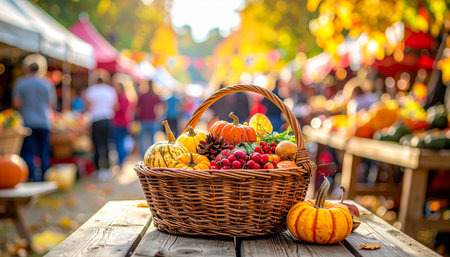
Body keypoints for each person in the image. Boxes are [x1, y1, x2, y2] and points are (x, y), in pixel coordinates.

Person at [12, 54, 55, 181]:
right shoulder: (46, 83)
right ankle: (45, 178)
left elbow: (16, 103)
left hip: (27, 121)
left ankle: (32, 177)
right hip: (44, 122)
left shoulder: (21, 83)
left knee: (29, 152)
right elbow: (51, 104)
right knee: (43, 152)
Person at [85, 69, 117, 179]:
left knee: (97, 145)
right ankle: (107, 168)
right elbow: (115, 106)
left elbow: (88, 106)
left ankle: (98, 168)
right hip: (107, 120)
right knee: (107, 144)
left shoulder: (91, 91)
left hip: (96, 120)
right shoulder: (110, 91)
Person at [112, 74, 137, 167]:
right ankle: (122, 160)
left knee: (119, 142)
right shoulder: (128, 97)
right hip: (125, 122)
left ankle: (121, 161)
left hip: (119, 122)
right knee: (122, 142)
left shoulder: (120, 97)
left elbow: (119, 109)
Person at [136, 80, 163, 157]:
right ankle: (151, 155)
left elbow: (138, 108)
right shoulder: (156, 95)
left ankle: (143, 155)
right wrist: (158, 116)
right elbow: (161, 107)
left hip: (143, 119)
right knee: (152, 139)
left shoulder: (142, 95)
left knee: (142, 139)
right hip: (153, 119)